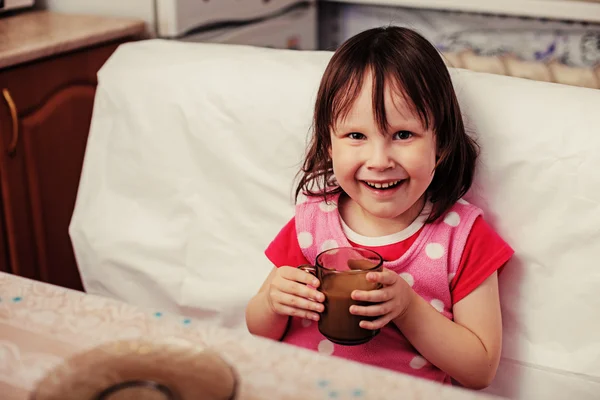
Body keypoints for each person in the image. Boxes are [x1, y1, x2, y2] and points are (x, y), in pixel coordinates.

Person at [245, 26, 514, 389]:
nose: (379, 160)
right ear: (328, 144)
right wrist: (273, 302)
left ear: (441, 142)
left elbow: (479, 370)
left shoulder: (462, 237)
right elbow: (259, 332)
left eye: (403, 135)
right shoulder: (312, 221)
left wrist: (407, 307)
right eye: (356, 136)